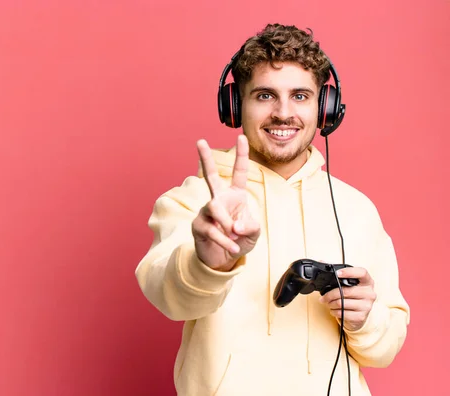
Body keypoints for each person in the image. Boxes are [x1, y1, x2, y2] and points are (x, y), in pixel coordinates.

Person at [134, 24, 410, 396]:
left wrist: (366, 321)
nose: (283, 113)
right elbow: (168, 295)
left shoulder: (357, 210)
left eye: (300, 96)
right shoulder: (196, 200)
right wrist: (208, 263)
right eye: (265, 95)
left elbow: (387, 347)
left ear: (325, 109)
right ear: (235, 106)